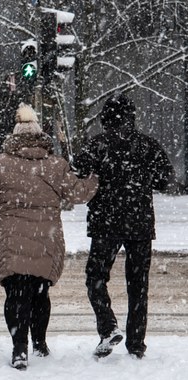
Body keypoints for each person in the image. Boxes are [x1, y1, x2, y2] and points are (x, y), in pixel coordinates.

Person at [0, 104, 98, 371]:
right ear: (41, 137)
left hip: (10, 239)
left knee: (16, 294)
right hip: (46, 237)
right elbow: (77, 194)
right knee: (40, 293)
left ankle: (19, 348)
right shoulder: (55, 165)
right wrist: (96, 178)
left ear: (14, 137)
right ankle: (39, 342)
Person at [72, 93, 174, 360]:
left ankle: (108, 326)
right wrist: (141, 178)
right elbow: (165, 179)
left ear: (106, 118)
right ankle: (136, 345)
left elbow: (77, 170)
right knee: (138, 285)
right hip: (139, 222)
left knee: (95, 277)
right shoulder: (147, 145)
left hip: (106, 221)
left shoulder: (98, 145)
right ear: (131, 117)